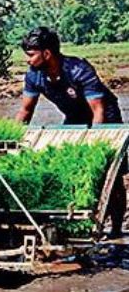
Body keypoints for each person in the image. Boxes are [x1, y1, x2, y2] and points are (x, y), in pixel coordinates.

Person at [16, 26, 125, 237]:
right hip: (74, 117)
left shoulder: (78, 70)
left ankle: (116, 229)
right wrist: (10, 138)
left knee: (110, 171)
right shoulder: (34, 76)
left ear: (47, 53)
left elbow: (98, 110)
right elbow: (26, 111)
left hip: (105, 116)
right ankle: (80, 223)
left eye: (31, 55)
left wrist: (95, 144)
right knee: (67, 164)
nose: (28, 60)